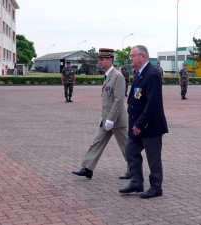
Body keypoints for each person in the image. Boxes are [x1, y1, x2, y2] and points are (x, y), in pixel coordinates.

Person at [72, 48, 131, 180]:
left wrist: (111, 119)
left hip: (117, 120)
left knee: (126, 146)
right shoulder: (108, 75)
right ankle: (87, 168)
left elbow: (119, 99)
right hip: (106, 119)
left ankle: (133, 169)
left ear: (110, 60)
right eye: (99, 59)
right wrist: (106, 119)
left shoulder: (118, 76)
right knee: (96, 143)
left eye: (102, 60)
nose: (99, 62)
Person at [119, 45, 168, 199]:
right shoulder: (139, 73)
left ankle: (156, 187)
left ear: (143, 57)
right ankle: (136, 182)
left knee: (153, 158)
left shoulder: (152, 74)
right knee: (130, 150)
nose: (130, 58)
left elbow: (153, 103)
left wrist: (140, 124)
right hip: (137, 125)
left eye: (133, 55)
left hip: (150, 125)